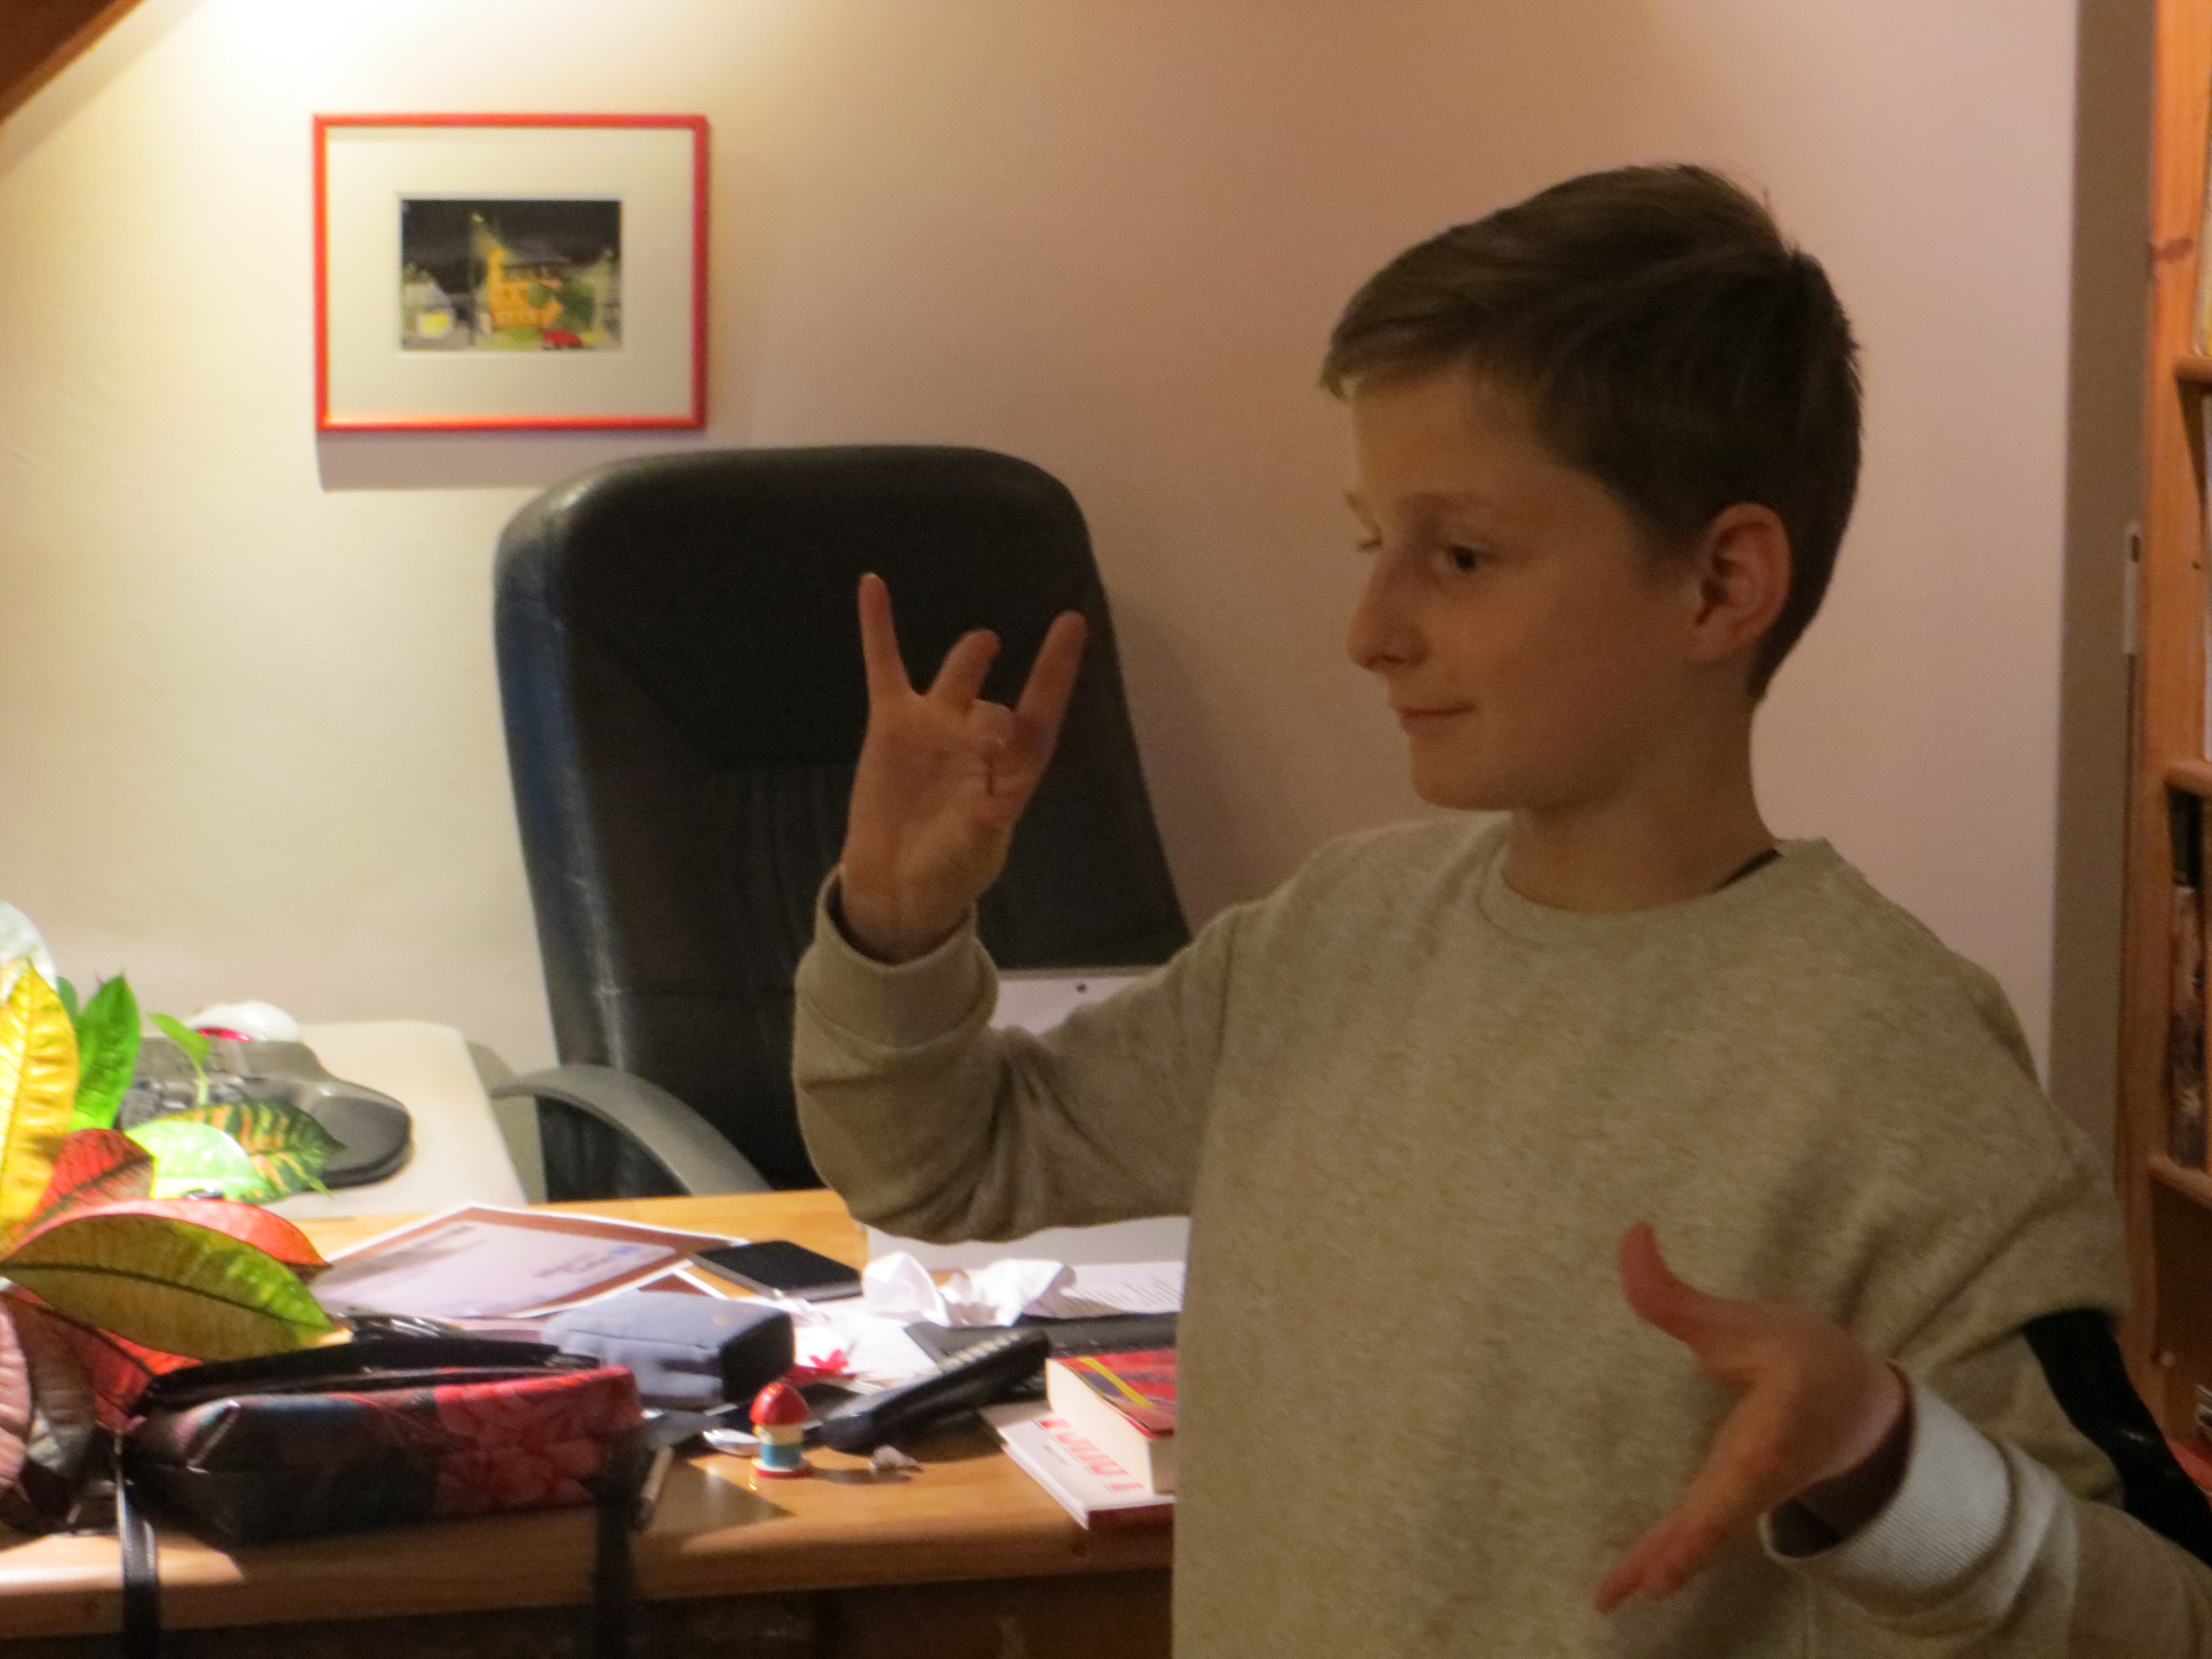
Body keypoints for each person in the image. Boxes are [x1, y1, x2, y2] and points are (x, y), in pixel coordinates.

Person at [790, 165, 2212, 1655]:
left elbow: (2166, 1621)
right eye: (1373, 543)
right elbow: (944, 1164)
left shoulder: (1901, 1076)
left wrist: (1896, 1474)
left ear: (1721, 585)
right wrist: (896, 928)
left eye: (1460, 556)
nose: (1370, 629)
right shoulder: (1330, 936)